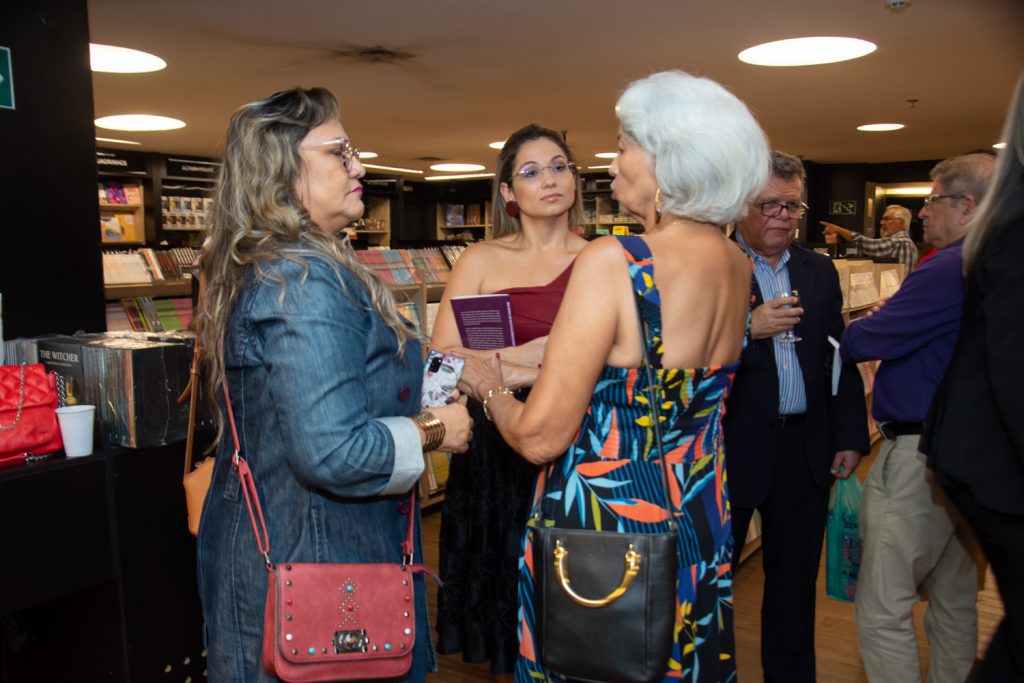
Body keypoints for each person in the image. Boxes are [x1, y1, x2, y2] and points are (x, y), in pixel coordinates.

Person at [459, 69, 770, 682]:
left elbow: (540, 437)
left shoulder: (618, 260)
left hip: (608, 534)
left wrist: (489, 387)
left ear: (666, 159)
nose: (614, 160)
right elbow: (648, 375)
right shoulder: (735, 261)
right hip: (697, 517)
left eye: (625, 145)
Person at [193, 87, 472, 682]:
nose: (359, 166)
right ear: (281, 172)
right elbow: (332, 452)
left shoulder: (289, 266)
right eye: (340, 152)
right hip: (311, 563)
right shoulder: (302, 279)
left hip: (307, 554)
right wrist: (432, 429)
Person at [431, 124, 587, 676]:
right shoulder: (479, 259)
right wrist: (541, 351)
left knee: (569, 591)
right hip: (493, 452)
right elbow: (444, 358)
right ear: (506, 192)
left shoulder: (603, 260)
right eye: (531, 171)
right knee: (503, 585)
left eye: (560, 166)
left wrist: (504, 363)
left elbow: (613, 361)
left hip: (573, 441)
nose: (549, 179)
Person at [841, 152, 995, 683]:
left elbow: (862, 338)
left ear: (967, 205)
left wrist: (879, 321)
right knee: (954, 599)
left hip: (918, 458)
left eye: (932, 202)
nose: (922, 214)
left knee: (884, 606)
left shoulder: (947, 267)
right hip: (969, 458)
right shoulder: (994, 262)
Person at [726, 151, 869, 683]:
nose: (784, 216)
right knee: (711, 588)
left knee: (792, 590)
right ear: (741, 205)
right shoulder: (713, 265)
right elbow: (682, 354)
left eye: (793, 205)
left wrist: (850, 434)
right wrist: (749, 327)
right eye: (771, 204)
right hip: (729, 451)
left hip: (805, 449)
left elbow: (840, 358)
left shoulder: (818, 269)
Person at [923, 73, 1024, 682]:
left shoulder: (965, 254)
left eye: (932, 201)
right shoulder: (1003, 239)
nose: (923, 213)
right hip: (989, 465)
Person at [821, 204, 919, 275]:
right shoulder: (898, 242)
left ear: (901, 223)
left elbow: (869, 245)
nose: (882, 222)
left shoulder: (902, 243)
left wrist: (839, 230)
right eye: (882, 219)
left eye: (887, 219)